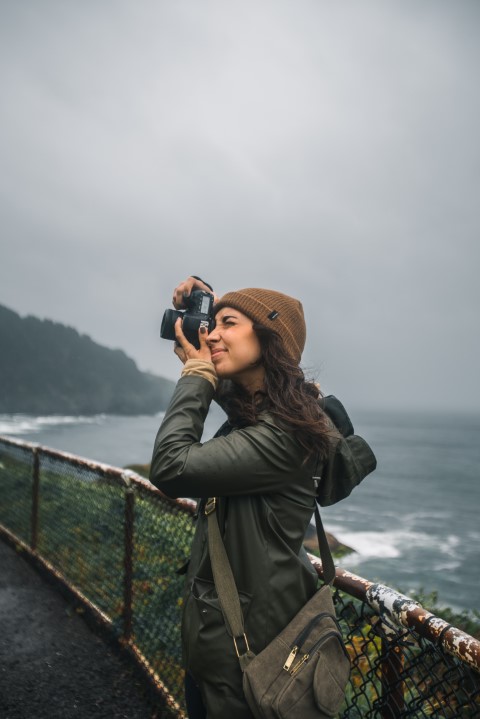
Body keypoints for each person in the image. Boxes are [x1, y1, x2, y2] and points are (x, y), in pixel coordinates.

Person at [150, 276, 376, 719]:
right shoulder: (255, 418)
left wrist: (197, 374)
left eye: (227, 323)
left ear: (271, 338)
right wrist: (206, 300)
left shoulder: (286, 436)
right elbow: (234, 395)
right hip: (215, 661)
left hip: (250, 674)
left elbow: (171, 466)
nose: (211, 334)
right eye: (211, 325)